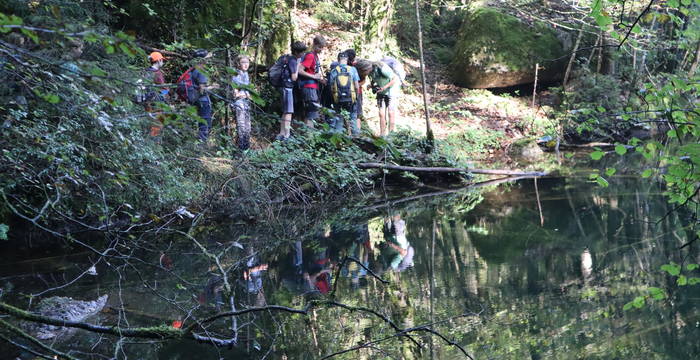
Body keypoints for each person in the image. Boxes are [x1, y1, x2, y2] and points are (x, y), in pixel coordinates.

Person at [355, 59, 400, 136]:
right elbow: (374, 80)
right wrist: (371, 85)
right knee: (381, 113)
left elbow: (395, 78)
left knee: (390, 112)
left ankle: (391, 134)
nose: (364, 74)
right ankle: (382, 134)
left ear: (367, 68)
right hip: (380, 91)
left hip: (391, 90)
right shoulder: (370, 72)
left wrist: (384, 87)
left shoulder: (382, 69)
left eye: (364, 72)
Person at [276, 41, 307, 141]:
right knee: (289, 111)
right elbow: (294, 77)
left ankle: (281, 133)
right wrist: (298, 67)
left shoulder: (288, 57)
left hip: (283, 87)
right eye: (302, 52)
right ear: (297, 52)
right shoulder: (293, 60)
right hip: (288, 88)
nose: (303, 54)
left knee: (285, 111)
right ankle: (287, 134)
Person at [298, 35, 327, 128]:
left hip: (312, 86)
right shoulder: (310, 55)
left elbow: (312, 71)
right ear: (314, 44)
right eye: (319, 47)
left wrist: (320, 80)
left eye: (322, 47)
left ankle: (308, 134)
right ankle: (309, 135)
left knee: (311, 112)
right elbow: (300, 70)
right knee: (311, 112)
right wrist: (313, 76)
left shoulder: (315, 56)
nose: (321, 49)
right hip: (308, 87)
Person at [327, 51, 360, 135]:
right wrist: (356, 96)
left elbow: (331, 87)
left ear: (338, 60)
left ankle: (338, 138)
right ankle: (356, 138)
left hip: (338, 98)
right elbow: (356, 86)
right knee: (353, 117)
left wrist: (334, 97)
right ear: (347, 60)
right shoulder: (353, 69)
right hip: (351, 98)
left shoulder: (334, 71)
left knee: (339, 117)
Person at [189, 49, 214, 143]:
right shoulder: (201, 71)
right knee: (205, 124)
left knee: (201, 123)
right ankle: (202, 146)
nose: (208, 60)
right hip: (203, 101)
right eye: (207, 58)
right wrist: (213, 87)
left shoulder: (193, 69)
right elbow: (202, 90)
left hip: (196, 100)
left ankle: (201, 143)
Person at [145, 51, 169, 141]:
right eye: (162, 60)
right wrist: (167, 98)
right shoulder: (157, 73)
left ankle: (148, 143)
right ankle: (154, 144)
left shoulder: (146, 71)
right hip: (157, 102)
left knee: (150, 122)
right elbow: (163, 89)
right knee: (157, 124)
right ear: (158, 60)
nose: (162, 62)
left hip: (147, 102)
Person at [231, 55, 252, 150]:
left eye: (247, 62)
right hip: (239, 103)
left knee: (248, 126)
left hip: (246, 103)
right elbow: (235, 94)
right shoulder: (236, 74)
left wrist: (248, 95)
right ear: (238, 64)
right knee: (241, 125)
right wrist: (244, 94)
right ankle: (241, 149)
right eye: (243, 62)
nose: (246, 64)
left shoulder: (246, 74)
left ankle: (247, 148)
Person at [344, 49, 364, 133]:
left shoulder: (340, 67)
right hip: (356, 93)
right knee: (357, 114)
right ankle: (356, 134)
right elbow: (361, 82)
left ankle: (348, 133)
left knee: (346, 114)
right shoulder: (356, 67)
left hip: (343, 94)